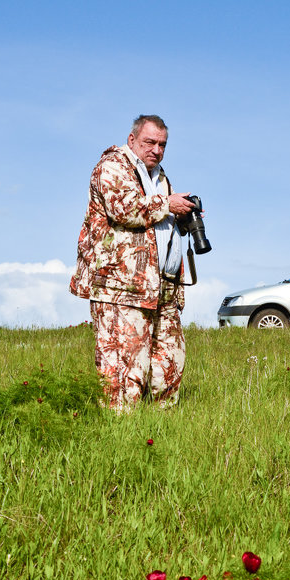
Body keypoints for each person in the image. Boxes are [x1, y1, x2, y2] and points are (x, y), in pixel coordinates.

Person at [69, 114, 199, 410]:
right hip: (121, 286)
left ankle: (162, 429)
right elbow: (123, 209)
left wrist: (182, 215)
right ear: (132, 140)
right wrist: (167, 204)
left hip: (162, 287)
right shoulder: (112, 166)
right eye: (149, 142)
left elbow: (156, 223)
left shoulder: (160, 177)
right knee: (123, 368)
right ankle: (119, 435)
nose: (156, 149)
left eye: (162, 144)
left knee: (169, 363)